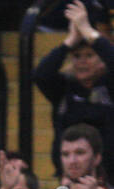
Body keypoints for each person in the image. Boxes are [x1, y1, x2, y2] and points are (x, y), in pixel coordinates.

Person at [35, 1, 114, 179]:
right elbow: (40, 75)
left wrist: (89, 32)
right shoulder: (63, 88)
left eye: (89, 56)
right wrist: (69, 42)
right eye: (77, 56)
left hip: (108, 181)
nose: (82, 62)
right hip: (66, 179)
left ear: (102, 61)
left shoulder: (109, 85)